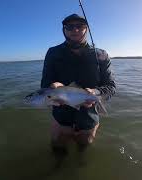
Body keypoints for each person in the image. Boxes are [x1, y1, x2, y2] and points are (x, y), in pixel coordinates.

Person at [41, 14, 116, 157]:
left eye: (80, 26)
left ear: (86, 29)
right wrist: (52, 86)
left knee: (83, 151)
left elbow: (111, 86)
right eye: (70, 27)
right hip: (61, 118)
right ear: (64, 30)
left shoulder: (101, 55)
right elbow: (44, 84)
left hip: (89, 119)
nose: (75, 30)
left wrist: (96, 92)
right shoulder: (53, 53)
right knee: (57, 150)